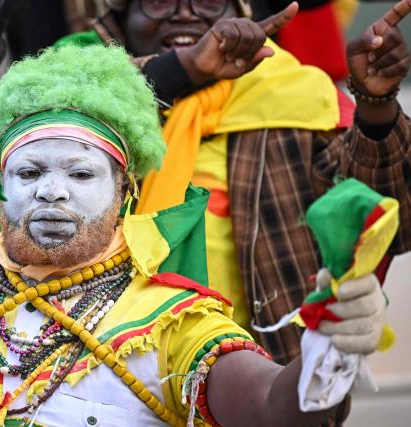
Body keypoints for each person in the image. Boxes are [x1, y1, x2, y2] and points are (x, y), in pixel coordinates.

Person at [0, 44, 390, 427]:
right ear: (1, 186)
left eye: (81, 173)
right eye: (30, 172)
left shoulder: (175, 321)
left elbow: (273, 412)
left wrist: (329, 344)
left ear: (126, 192)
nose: (51, 191)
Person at [59, 0, 411, 364]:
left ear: (243, 16)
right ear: (121, 17)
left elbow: (389, 226)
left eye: (210, 1)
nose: (185, 14)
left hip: (267, 385)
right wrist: (185, 69)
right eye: (159, 1)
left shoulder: (301, 98)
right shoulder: (73, 91)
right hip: (100, 383)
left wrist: (377, 106)